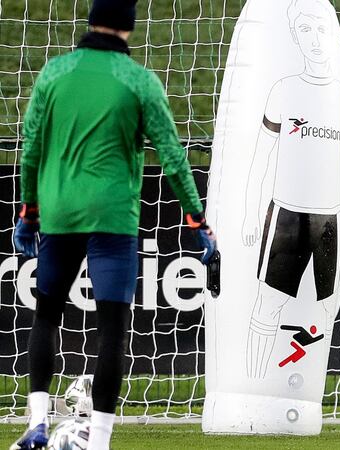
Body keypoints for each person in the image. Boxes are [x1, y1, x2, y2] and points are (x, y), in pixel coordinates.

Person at [10, 1, 216, 449]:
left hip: (60, 214)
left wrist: (28, 212)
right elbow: (175, 158)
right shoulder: (139, 81)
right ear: (130, 26)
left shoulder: (54, 74)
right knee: (112, 331)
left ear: (89, 20)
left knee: (45, 316)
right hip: (114, 219)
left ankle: (37, 422)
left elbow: (30, 150)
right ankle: (99, 439)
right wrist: (198, 219)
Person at [240, 0, 340, 378]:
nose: (316, 39)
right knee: (267, 304)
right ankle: (252, 384)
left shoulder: (337, 94)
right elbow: (261, 157)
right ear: (294, 37)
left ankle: (300, 379)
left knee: (327, 306)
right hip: (287, 215)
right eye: (305, 30)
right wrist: (254, 213)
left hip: (330, 218)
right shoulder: (284, 90)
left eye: (321, 29)